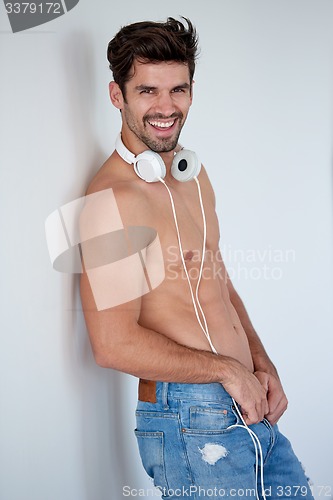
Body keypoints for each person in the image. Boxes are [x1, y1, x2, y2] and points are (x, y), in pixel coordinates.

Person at [80, 17, 313, 499]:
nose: (166, 107)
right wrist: (227, 370)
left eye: (178, 90)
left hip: (246, 400)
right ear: (117, 95)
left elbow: (218, 282)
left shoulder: (192, 177)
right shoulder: (113, 200)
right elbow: (113, 343)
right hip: (189, 415)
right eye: (147, 91)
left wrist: (261, 365)